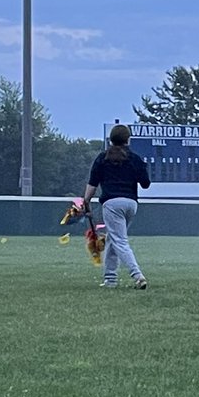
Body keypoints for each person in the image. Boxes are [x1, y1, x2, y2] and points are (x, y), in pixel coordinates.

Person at [80, 124, 152, 289]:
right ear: (128, 140)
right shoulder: (135, 159)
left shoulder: (102, 158)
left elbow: (92, 184)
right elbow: (146, 184)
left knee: (119, 240)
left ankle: (138, 275)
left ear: (111, 140)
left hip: (112, 204)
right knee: (113, 238)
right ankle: (110, 280)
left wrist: (86, 202)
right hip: (131, 205)